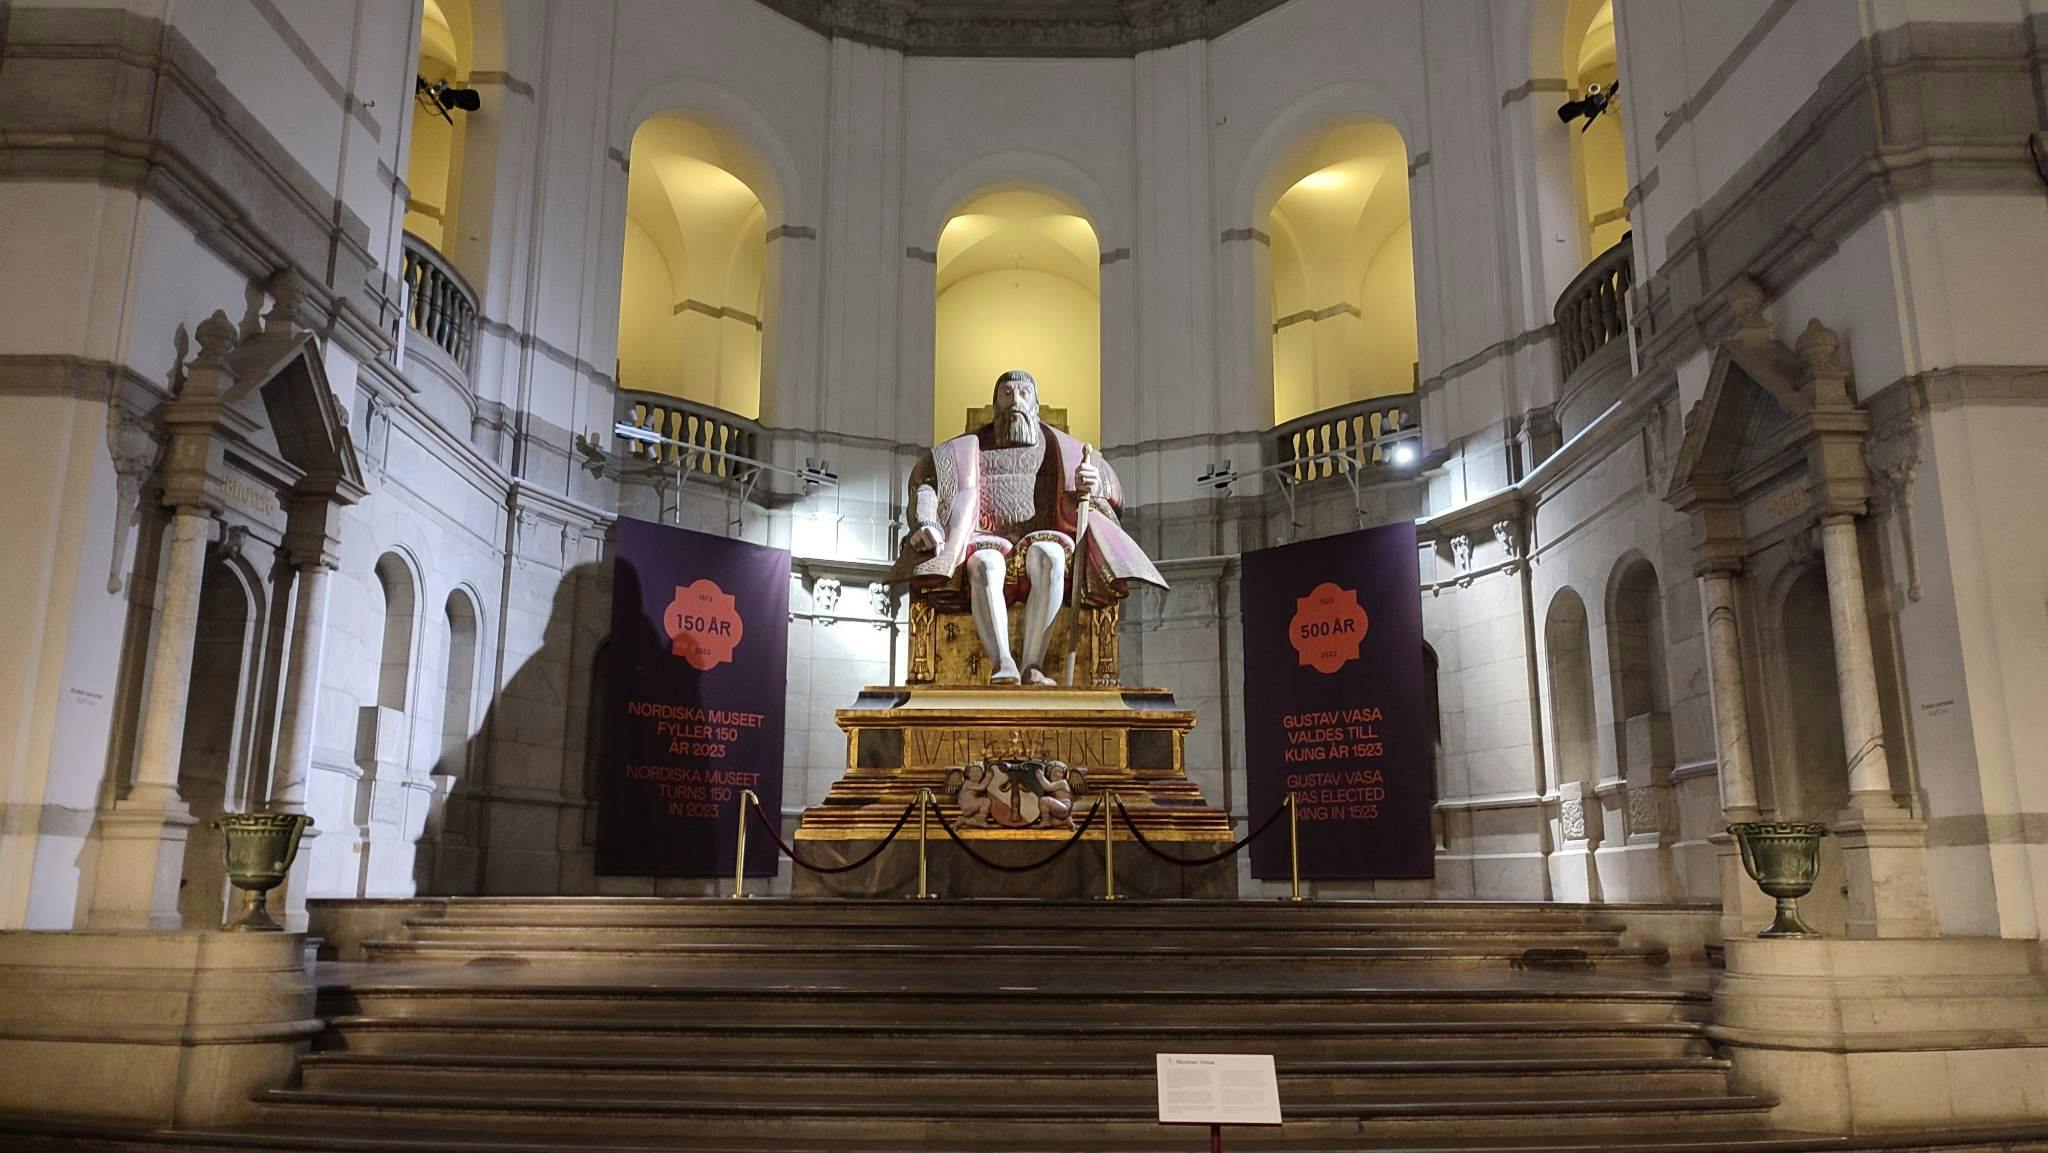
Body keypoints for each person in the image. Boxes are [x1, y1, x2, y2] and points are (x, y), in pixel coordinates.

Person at [892, 370, 1165, 685]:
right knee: (985, 563)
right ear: (995, 402)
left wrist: (1093, 484)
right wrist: (926, 522)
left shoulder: (1064, 448)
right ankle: (1003, 662)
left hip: (1043, 541)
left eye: (1023, 393)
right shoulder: (963, 450)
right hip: (984, 541)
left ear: (1035, 403)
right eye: (1007, 393)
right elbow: (926, 486)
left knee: (1050, 556)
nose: (1015, 401)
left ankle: (1033, 664)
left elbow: (1110, 493)